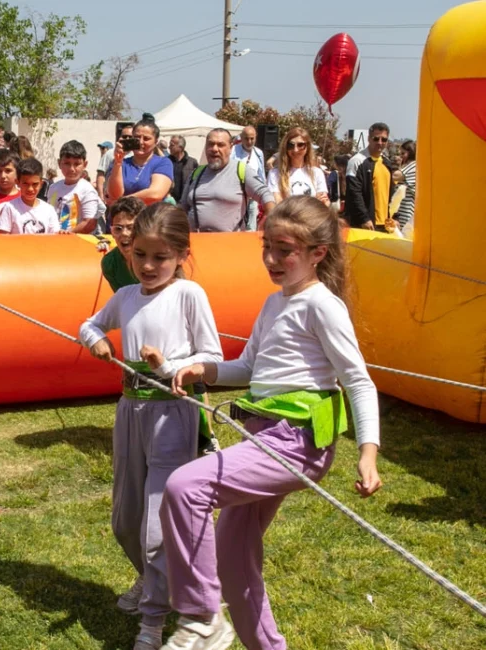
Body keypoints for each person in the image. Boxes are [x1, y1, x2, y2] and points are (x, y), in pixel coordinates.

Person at [160, 195, 382, 650]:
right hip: (259, 437)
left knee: (186, 488)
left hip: (296, 443)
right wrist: (206, 368)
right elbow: (249, 367)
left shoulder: (322, 306)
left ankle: (202, 616)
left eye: (285, 250)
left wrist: (368, 453)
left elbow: (358, 382)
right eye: (267, 247)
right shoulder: (273, 303)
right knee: (233, 558)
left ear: (318, 253)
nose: (272, 259)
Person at [80, 202, 223, 650]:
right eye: (140, 255)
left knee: (158, 528)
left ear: (181, 254)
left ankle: (153, 623)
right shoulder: (124, 298)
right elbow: (87, 325)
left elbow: (213, 358)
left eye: (160, 257)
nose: (147, 265)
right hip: (130, 412)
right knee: (126, 521)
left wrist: (168, 366)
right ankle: (160, 583)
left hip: (174, 416)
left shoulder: (189, 295)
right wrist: (98, 340)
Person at [180, 129, 275, 233]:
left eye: (220, 145)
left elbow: (266, 195)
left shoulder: (242, 171)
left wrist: (265, 224)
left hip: (230, 244)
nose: (214, 149)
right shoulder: (196, 173)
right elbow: (182, 208)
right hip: (196, 242)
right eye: (210, 144)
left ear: (230, 147)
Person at [107, 118, 173, 206]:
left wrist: (122, 202)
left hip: (148, 218)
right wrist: (118, 162)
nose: (141, 142)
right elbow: (114, 195)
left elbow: (155, 194)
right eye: (137, 137)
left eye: (146, 139)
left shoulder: (163, 163)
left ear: (155, 142)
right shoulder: (122, 164)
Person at [345, 122, 397, 230]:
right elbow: (354, 192)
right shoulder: (356, 161)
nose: (380, 142)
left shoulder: (387, 163)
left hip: (386, 225)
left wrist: (395, 217)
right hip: (366, 224)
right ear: (369, 138)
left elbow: (392, 193)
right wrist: (364, 218)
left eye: (384, 139)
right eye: (376, 138)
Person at [0, 158, 62, 235]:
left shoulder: (49, 210)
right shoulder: (9, 208)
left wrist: (63, 234)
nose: (30, 189)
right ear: (17, 182)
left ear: (41, 184)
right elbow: (3, 238)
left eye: (35, 184)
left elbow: (56, 236)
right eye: (25, 184)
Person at [48, 140, 103, 234]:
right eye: (67, 163)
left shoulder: (87, 190)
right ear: (59, 163)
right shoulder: (53, 188)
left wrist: (68, 234)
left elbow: (89, 223)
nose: (71, 169)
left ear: (85, 165)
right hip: (54, 240)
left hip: (77, 242)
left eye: (77, 164)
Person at [268, 128, 329, 205]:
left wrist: (325, 202)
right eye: (291, 145)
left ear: (307, 147)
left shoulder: (317, 173)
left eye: (300, 145)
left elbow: (323, 202)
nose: (295, 150)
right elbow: (277, 203)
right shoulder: (275, 173)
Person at [100, 197, 143, 293]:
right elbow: (124, 302)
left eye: (131, 228)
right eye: (118, 229)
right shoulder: (110, 264)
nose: (124, 233)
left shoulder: (157, 260)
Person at [231, 126, 267, 231]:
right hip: (237, 195)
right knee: (236, 224)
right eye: (246, 138)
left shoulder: (259, 153)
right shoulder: (233, 150)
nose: (249, 141)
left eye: (252, 138)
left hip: (252, 196)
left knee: (252, 225)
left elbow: (261, 175)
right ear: (241, 138)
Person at [167, 137, 197, 204]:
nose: (169, 147)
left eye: (172, 145)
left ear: (180, 147)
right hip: (169, 201)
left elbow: (195, 182)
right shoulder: (166, 161)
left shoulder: (192, 162)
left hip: (185, 202)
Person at [395, 140, 416, 230]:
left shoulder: (413, 165)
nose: (401, 156)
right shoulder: (408, 166)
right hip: (401, 209)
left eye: (403, 153)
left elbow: (395, 176)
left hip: (406, 210)